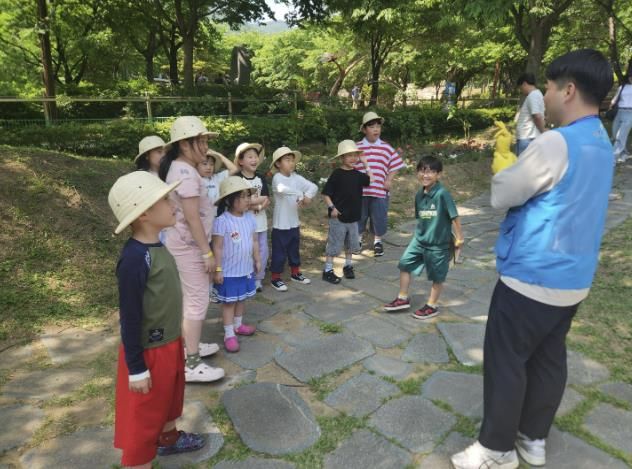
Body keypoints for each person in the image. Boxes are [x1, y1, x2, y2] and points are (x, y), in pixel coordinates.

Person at [451, 49, 615, 469]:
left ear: (569, 90)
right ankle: (533, 438)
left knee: (507, 361)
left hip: (532, 275)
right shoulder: (601, 140)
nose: (546, 95)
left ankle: (496, 450)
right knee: (548, 358)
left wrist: (505, 163)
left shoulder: (556, 142)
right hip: (573, 278)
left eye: (550, 87)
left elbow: (503, 194)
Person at [108, 171, 207, 468]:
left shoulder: (158, 246)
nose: (173, 204)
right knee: (144, 415)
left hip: (169, 343)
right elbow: (130, 316)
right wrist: (136, 368)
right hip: (149, 352)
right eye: (165, 200)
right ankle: (140, 461)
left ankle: (169, 439)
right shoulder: (135, 259)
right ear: (144, 213)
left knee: (169, 398)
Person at [159, 116, 224, 383]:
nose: (206, 147)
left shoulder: (182, 168)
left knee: (191, 299)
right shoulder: (185, 173)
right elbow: (192, 217)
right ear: (185, 144)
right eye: (202, 141)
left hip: (183, 244)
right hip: (189, 248)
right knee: (197, 301)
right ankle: (191, 363)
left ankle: (189, 347)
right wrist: (207, 253)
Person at [383, 156, 463, 319]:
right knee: (404, 264)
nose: (425, 175)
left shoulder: (442, 194)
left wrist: (459, 238)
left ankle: (432, 306)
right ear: (417, 173)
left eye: (431, 172)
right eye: (422, 171)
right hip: (419, 240)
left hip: (438, 244)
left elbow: (454, 216)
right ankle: (402, 298)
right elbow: (421, 217)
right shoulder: (419, 194)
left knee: (437, 276)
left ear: (438, 174)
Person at [212, 177, 259, 352]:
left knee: (241, 298)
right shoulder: (222, 221)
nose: (247, 200)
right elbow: (217, 247)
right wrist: (218, 269)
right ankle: (229, 334)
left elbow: (254, 241)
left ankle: (238, 325)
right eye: (242, 196)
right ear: (230, 200)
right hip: (229, 272)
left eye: (248, 196)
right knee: (229, 303)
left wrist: (257, 259)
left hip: (245, 269)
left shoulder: (250, 218)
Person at [321, 140, 373, 284]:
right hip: (338, 217)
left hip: (353, 217)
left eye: (355, 155)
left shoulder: (357, 174)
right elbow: (326, 194)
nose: (353, 158)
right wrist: (332, 208)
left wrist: (366, 164)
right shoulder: (337, 174)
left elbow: (371, 180)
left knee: (351, 244)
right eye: (349, 155)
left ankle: (348, 266)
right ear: (342, 158)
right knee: (334, 244)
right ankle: (328, 270)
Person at [355, 111, 406, 257]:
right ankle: (357, 239)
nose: (376, 129)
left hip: (379, 190)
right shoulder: (357, 147)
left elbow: (395, 164)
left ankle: (377, 241)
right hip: (360, 191)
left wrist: (389, 179)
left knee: (379, 217)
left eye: (378, 126)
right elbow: (350, 165)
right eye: (371, 127)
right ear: (364, 130)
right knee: (359, 216)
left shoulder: (385, 147)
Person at [269, 146, 318, 292]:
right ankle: (275, 278)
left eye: (292, 160)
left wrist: (308, 196)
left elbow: (313, 187)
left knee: (294, 249)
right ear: (278, 164)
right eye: (287, 160)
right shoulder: (277, 178)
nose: (291, 163)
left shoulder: (296, 178)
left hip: (294, 222)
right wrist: (300, 194)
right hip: (280, 224)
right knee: (279, 252)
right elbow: (282, 189)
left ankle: (295, 273)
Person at [232, 143, 270, 292]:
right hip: (243, 224)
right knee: (245, 251)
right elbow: (239, 202)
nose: (254, 160)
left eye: (255, 157)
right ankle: (245, 277)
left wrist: (252, 203)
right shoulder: (237, 179)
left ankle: (258, 278)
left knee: (262, 251)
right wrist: (257, 204)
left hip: (261, 223)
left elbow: (266, 198)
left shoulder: (260, 177)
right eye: (250, 157)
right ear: (241, 161)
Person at [197, 149, 239, 216]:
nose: (208, 167)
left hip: (217, 216)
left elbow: (234, 169)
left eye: (211, 164)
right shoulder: (195, 179)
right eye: (204, 164)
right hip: (202, 217)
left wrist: (219, 155)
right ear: (196, 165)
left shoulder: (217, 178)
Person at [515, 73, 546, 156]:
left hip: (527, 138)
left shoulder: (533, 95)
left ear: (524, 84)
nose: (521, 91)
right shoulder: (537, 94)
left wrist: (544, 131)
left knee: (523, 163)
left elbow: (537, 116)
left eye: (520, 88)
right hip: (528, 137)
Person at [609, 63, 632, 163]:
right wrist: (612, 103)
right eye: (630, 76)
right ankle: (624, 154)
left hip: (630, 113)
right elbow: (616, 98)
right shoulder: (622, 87)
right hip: (619, 112)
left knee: (620, 135)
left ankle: (612, 159)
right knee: (614, 134)